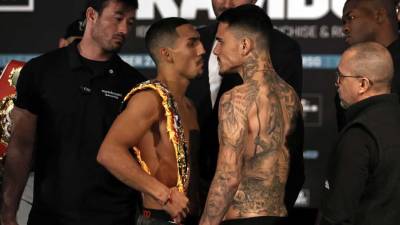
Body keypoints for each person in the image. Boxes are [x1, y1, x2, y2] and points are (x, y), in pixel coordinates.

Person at [0, 0, 146, 224]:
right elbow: (21, 146)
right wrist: (8, 212)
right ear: (91, 15)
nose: (125, 29)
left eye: (131, 22)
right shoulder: (40, 71)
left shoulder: (136, 84)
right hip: (50, 217)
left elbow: (141, 159)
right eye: (118, 18)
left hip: (116, 218)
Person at [185, 0, 304, 213]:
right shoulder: (289, 94)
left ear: (245, 44)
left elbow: (227, 177)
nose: (215, 50)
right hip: (269, 211)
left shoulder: (235, 98)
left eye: (222, 42)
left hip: (233, 208)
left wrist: (208, 220)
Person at [97, 17, 205, 225]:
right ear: (166, 53)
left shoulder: (189, 105)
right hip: (159, 219)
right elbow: (109, 152)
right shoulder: (149, 98)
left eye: (199, 42)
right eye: (192, 43)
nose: (201, 50)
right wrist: (164, 194)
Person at [319, 42, 400, 225]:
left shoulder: (358, 136)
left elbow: (337, 215)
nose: (336, 83)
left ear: (362, 84)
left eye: (340, 76)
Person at [336, 0, 400, 130]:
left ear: (379, 15)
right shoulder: (348, 70)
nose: (345, 28)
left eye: (351, 17)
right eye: (343, 22)